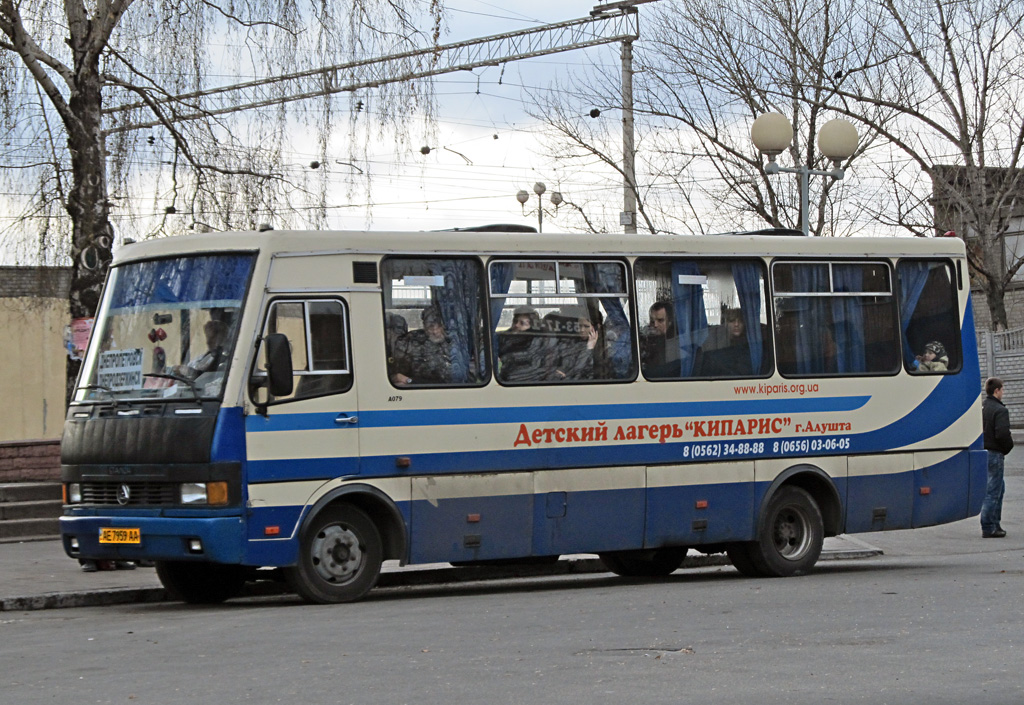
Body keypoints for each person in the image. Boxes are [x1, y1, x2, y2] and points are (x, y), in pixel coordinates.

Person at [981, 376, 1012, 538]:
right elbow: (1002, 434)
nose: (1003, 392)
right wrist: (1008, 447)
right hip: (995, 453)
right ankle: (989, 526)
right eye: (1002, 389)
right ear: (997, 390)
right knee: (993, 491)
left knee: (998, 488)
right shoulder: (1000, 410)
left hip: (984, 452)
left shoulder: (983, 406)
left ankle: (995, 523)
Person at [390, 307, 452, 385]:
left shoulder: (455, 343)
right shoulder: (410, 341)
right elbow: (396, 376)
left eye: (439, 326)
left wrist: (410, 381)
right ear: (424, 326)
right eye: (430, 326)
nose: (435, 331)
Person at [497, 306, 551, 383]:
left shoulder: (536, 342)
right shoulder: (504, 337)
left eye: (522, 323)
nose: (517, 325)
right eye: (515, 321)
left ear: (532, 326)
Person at [552, 309, 599, 381]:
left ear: (596, 327)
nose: (582, 330)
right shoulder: (573, 344)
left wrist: (589, 348)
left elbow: (580, 369)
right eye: (580, 326)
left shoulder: (604, 347)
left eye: (586, 326)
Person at [641, 301, 680, 378]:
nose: (655, 325)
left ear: (670, 322)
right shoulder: (645, 339)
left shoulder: (677, 342)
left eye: (660, 320)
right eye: (652, 321)